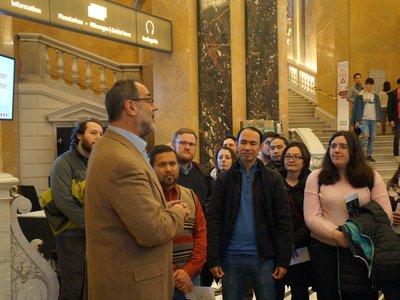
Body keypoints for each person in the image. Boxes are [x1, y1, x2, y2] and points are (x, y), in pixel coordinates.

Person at [85, 79, 189, 299]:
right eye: (149, 100)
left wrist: (161, 209)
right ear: (130, 107)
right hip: (132, 287)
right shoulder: (121, 159)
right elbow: (152, 231)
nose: (155, 107)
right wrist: (178, 213)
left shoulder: (113, 147)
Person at [304, 130, 393, 300]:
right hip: (327, 251)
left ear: (353, 150)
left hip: (362, 249)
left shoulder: (370, 176)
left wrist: (355, 235)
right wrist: (337, 235)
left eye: (343, 146)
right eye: (333, 146)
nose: (336, 150)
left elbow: (385, 214)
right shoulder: (316, 177)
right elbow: (312, 216)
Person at [207, 126, 292, 299]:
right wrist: (213, 258)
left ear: (260, 147)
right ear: (236, 145)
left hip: (263, 258)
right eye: (243, 142)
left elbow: (283, 220)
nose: (247, 147)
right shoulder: (224, 179)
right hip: (231, 257)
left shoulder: (273, 179)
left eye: (253, 143)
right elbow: (214, 219)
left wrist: (283, 260)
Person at [47, 118, 103, 300]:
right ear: (79, 135)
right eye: (93, 133)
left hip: (96, 235)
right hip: (72, 235)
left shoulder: (100, 162)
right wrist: (92, 225)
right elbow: (63, 201)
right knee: (73, 289)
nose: (99, 137)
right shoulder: (63, 162)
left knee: (93, 287)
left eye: (101, 134)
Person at [149, 145, 207, 300]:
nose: (169, 169)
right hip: (158, 277)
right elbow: (148, 240)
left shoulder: (189, 195)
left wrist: (188, 271)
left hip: (190, 277)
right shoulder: (146, 199)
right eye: (162, 165)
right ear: (151, 168)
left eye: (172, 164)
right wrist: (174, 272)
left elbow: (201, 236)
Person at [172, 128, 213, 286]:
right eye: (182, 143)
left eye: (191, 144)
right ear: (174, 144)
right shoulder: (167, 174)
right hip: (174, 244)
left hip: (199, 241)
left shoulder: (203, 173)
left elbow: (210, 200)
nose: (187, 147)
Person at [275, 142, 313, 300]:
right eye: (288, 156)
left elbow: (312, 217)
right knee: (275, 290)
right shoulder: (274, 181)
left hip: (301, 247)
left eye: (297, 157)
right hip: (276, 246)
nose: (291, 160)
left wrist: (293, 241)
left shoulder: (311, 184)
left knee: (300, 291)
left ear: (304, 161)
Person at [352, 77, 383, 162]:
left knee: (372, 137)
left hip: (373, 120)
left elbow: (378, 108)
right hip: (363, 119)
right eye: (369, 84)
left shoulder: (375, 96)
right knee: (365, 136)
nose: (370, 86)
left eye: (372, 84)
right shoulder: (360, 95)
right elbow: (356, 109)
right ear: (366, 85)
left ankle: (368, 155)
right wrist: (356, 121)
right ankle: (357, 153)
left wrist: (379, 120)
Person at [388, 78, 400, 160]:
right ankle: (396, 154)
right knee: (397, 135)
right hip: (396, 118)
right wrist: (390, 120)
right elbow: (389, 108)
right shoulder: (393, 94)